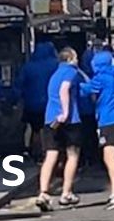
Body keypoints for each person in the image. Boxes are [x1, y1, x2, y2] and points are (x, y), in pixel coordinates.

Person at [80, 50, 114, 210]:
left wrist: (77, 79)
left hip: (108, 121)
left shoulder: (102, 79)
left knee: (109, 158)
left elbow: (86, 90)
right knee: (110, 156)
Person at [36, 47, 84, 212]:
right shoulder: (70, 72)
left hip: (50, 120)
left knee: (51, 155)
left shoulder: (54, 74)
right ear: (70, 58)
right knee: (72, 155)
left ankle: (43, 193)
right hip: (69, 120)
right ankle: (66, 192)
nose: (77, 60)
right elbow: (65, 89)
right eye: (76, 57)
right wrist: (65, 112)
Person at [16, 41, 58, 159]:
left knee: (32, 127)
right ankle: (46, 150)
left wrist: (14, 98)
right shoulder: (54, 65)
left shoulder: (28, 66)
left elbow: (19, 84)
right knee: (47, 128)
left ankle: (29, 149)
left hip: (31, 103)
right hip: (49, 103)